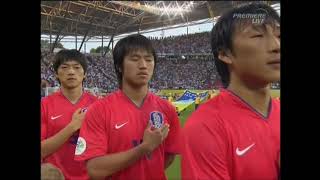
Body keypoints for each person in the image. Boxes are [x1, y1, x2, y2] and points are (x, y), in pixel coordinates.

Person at [181, 2, 280, 180]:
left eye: (279, 36)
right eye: (258, 35)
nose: (276, 45)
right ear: (225, 53)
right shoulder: (205, 127)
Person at [75, 34, 181, 180]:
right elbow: (94, 169)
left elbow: (169, 155)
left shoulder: (167, 109)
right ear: (119, 66)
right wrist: (144, 148)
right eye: (135, 59)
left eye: (149, 59)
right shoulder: (99, 110)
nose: (143, 65)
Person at [41, 49, 97, 180]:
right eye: (65, 67)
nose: (71, 72)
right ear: (56, 74)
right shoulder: (45, 105)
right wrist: (72, 127)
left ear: (85, 74)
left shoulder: (99, 106)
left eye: (77, 67)